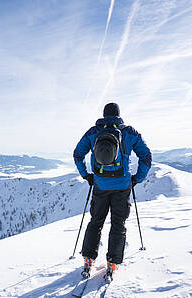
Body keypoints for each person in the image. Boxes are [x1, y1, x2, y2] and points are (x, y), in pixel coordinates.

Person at [73, 102, 152, 278]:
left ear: (104, 114)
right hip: (122, 186)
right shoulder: (129, 132)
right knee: (118, 224)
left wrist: (87, 176)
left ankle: (88, 259)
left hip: (100, 185)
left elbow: (77, 154)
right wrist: (136, 179)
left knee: (96, 221)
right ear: (118, 114)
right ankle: (113, 262)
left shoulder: (94, 132)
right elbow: (146, 156)